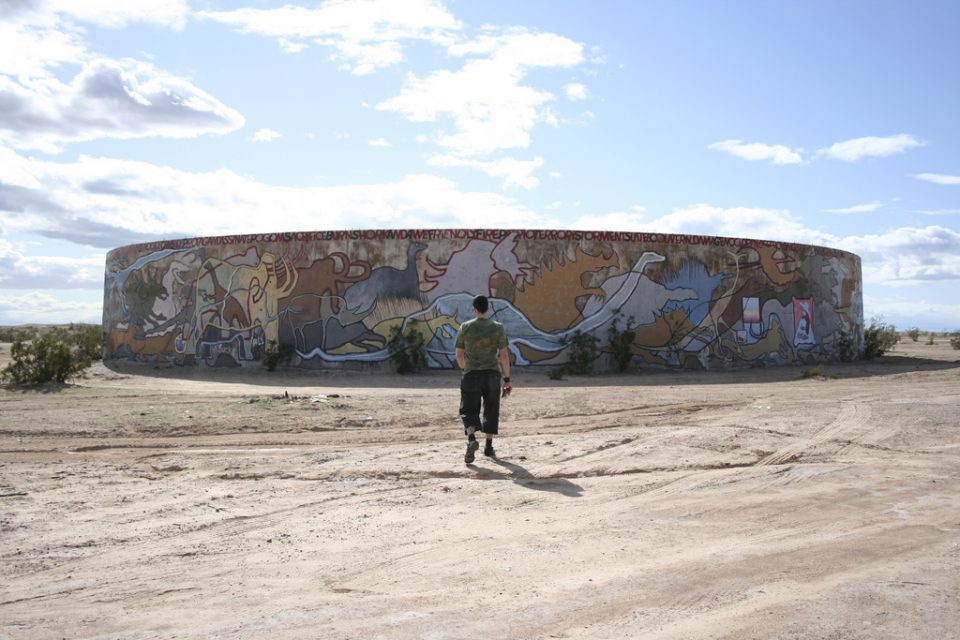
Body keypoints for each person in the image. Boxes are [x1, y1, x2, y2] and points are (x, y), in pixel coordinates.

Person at [455, 295, 512, 464]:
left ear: (474, 309)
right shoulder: (498, 328)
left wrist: (464, 369)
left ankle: (472, 438)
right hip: (492, 375)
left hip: (471, 375)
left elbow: (459, 354)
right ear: (487, 309)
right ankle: (488, 446)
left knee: (469, 409)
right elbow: (504, 355)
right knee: (491, 409)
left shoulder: (465, 327)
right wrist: (507, 379)